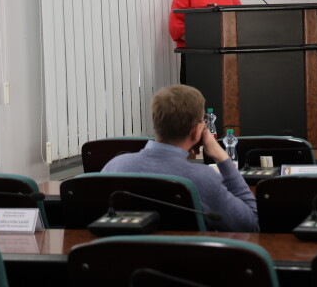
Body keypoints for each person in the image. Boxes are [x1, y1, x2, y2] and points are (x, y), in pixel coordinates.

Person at [102, 85, 258, 232]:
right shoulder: (202, 178)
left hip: (123, 252)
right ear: (197, 131)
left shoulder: (114, 167)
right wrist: (222, 157)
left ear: (156, 123)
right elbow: (250, 224)